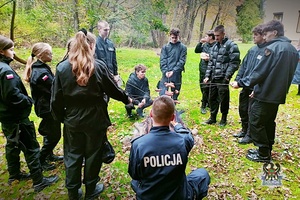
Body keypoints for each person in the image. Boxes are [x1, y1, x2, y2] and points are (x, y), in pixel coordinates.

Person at [51, 29, 131, 199]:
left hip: (73, 118)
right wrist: (127, 100)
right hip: (95, 118)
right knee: (93, 155)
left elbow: (55, 99)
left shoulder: (62, 67)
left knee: (73, 155)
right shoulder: (98, 66)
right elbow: (114, 89)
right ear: (92, 46)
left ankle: (73, 191)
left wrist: (61, 118)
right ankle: (91, 189)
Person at [230, 20, 299, 162]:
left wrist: (241, 83)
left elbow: (260, 72)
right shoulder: (291, 49)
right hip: (277, 94)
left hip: (266, 93)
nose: (265, 37)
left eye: (266, 33)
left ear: (274, 32)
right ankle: (267, 149)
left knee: (256, 121)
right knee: (268, 121)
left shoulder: (273, 48)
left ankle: (263, 154)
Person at [0, 35, 58, 192]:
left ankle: (14, 174)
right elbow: (12, 95)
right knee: (31, 146)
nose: (13, 52)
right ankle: (39, 181)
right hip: (16, 117)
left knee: (12, 145)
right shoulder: (5, 71)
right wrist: (28, 101)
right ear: (2, 51)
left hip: (6, 116)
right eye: (11, 49)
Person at [128, 95, 210, 199]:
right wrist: (177, 125)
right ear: (172, 117)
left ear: (151, 114)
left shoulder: (138, 144)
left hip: (149, 196)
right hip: (178, 196)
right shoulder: (183, 141)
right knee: (202, 174)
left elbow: (134, 174)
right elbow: (188, 135)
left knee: (135, 182)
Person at [24, 42, 63, 171]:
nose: (52, 55)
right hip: (47, 108)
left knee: (49, 131)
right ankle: (41, 159)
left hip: (45, 107)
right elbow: (53, 88)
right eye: (49, 53)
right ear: (41, 55)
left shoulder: (41, 67)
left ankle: (49, 155)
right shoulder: (41, 73)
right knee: (54, 135)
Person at [232, 25, 269, 145]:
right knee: (242, 108)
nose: (253, 36)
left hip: (256, 88)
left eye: (256, 35)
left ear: (263, 36)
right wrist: (237, 79)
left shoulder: (267, 51)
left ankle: (250, 134)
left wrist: (257, 87)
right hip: (245, 85)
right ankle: (244, 130)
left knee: (251, 111)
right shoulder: (252, 50)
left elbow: (263, 73)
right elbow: (243, 66)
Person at [203, 25, 240, 126]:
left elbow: (235, 62)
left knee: (223, 99)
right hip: (213, 77)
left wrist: (227, 76)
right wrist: (207, 76)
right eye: (215, 35)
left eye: (218, 35)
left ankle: (224, 118)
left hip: (223, 78)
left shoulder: (231, 45)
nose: (216, 38)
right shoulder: (214, 46)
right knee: (212, 98)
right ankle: (212, 117)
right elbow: (211, 62)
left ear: (223, 34)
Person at [159, 28, 187, 102]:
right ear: (170, 37)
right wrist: (165, 71)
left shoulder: (183, 47)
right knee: (163, 92)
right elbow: (162, 60)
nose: (174, 39)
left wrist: (174, 71)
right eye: (172, 37)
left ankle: (173, 109)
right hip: (166, 73)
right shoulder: (165, 47)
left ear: (178, 36)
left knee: (175, 92)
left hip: (177, 73)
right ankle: (163, 109)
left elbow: (182, 61)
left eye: (176, 37)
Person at [195, 30, 216, 114]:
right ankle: (206, 101)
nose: (205, 38)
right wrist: (200, 43)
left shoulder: (216, 46)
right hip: (202, 68)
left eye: (206, 36)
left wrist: (209, 57)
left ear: (211, 37)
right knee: (202, 86)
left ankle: (205, 104)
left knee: (207, 87)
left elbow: (217, 57)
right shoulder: (205, 45)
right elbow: (197, 50)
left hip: (211, 70)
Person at [95, 20, 121, 85]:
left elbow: (114, 61)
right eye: (105, 30)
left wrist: (116, 74)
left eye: (108, 30)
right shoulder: (95, 43)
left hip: (111, 74)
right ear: (99, 29)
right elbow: (95, 61)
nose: (107, 32)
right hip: (100, 74)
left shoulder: (110, 43)